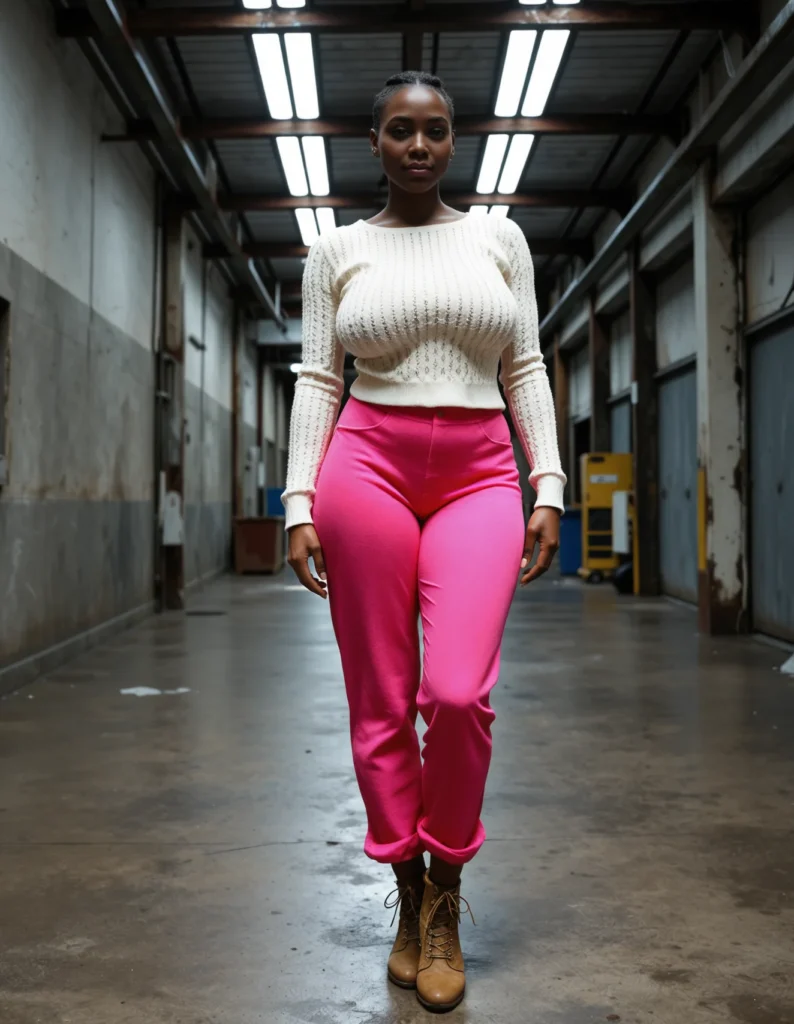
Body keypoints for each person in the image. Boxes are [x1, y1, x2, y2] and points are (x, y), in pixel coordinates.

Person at [282, 71, 566, 1013]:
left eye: (435, 131)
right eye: (400, 130)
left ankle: (447, 884)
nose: (418, 146)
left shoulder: (499, 239)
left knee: (456, 693)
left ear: (453, 141)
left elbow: (525, 365)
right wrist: (298, 499)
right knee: (380, 697)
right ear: (373, 142)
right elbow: (319, 378)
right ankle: (409, 896)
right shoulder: (337, 250)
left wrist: (549, 482)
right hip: (365, 462)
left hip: (480, 468)